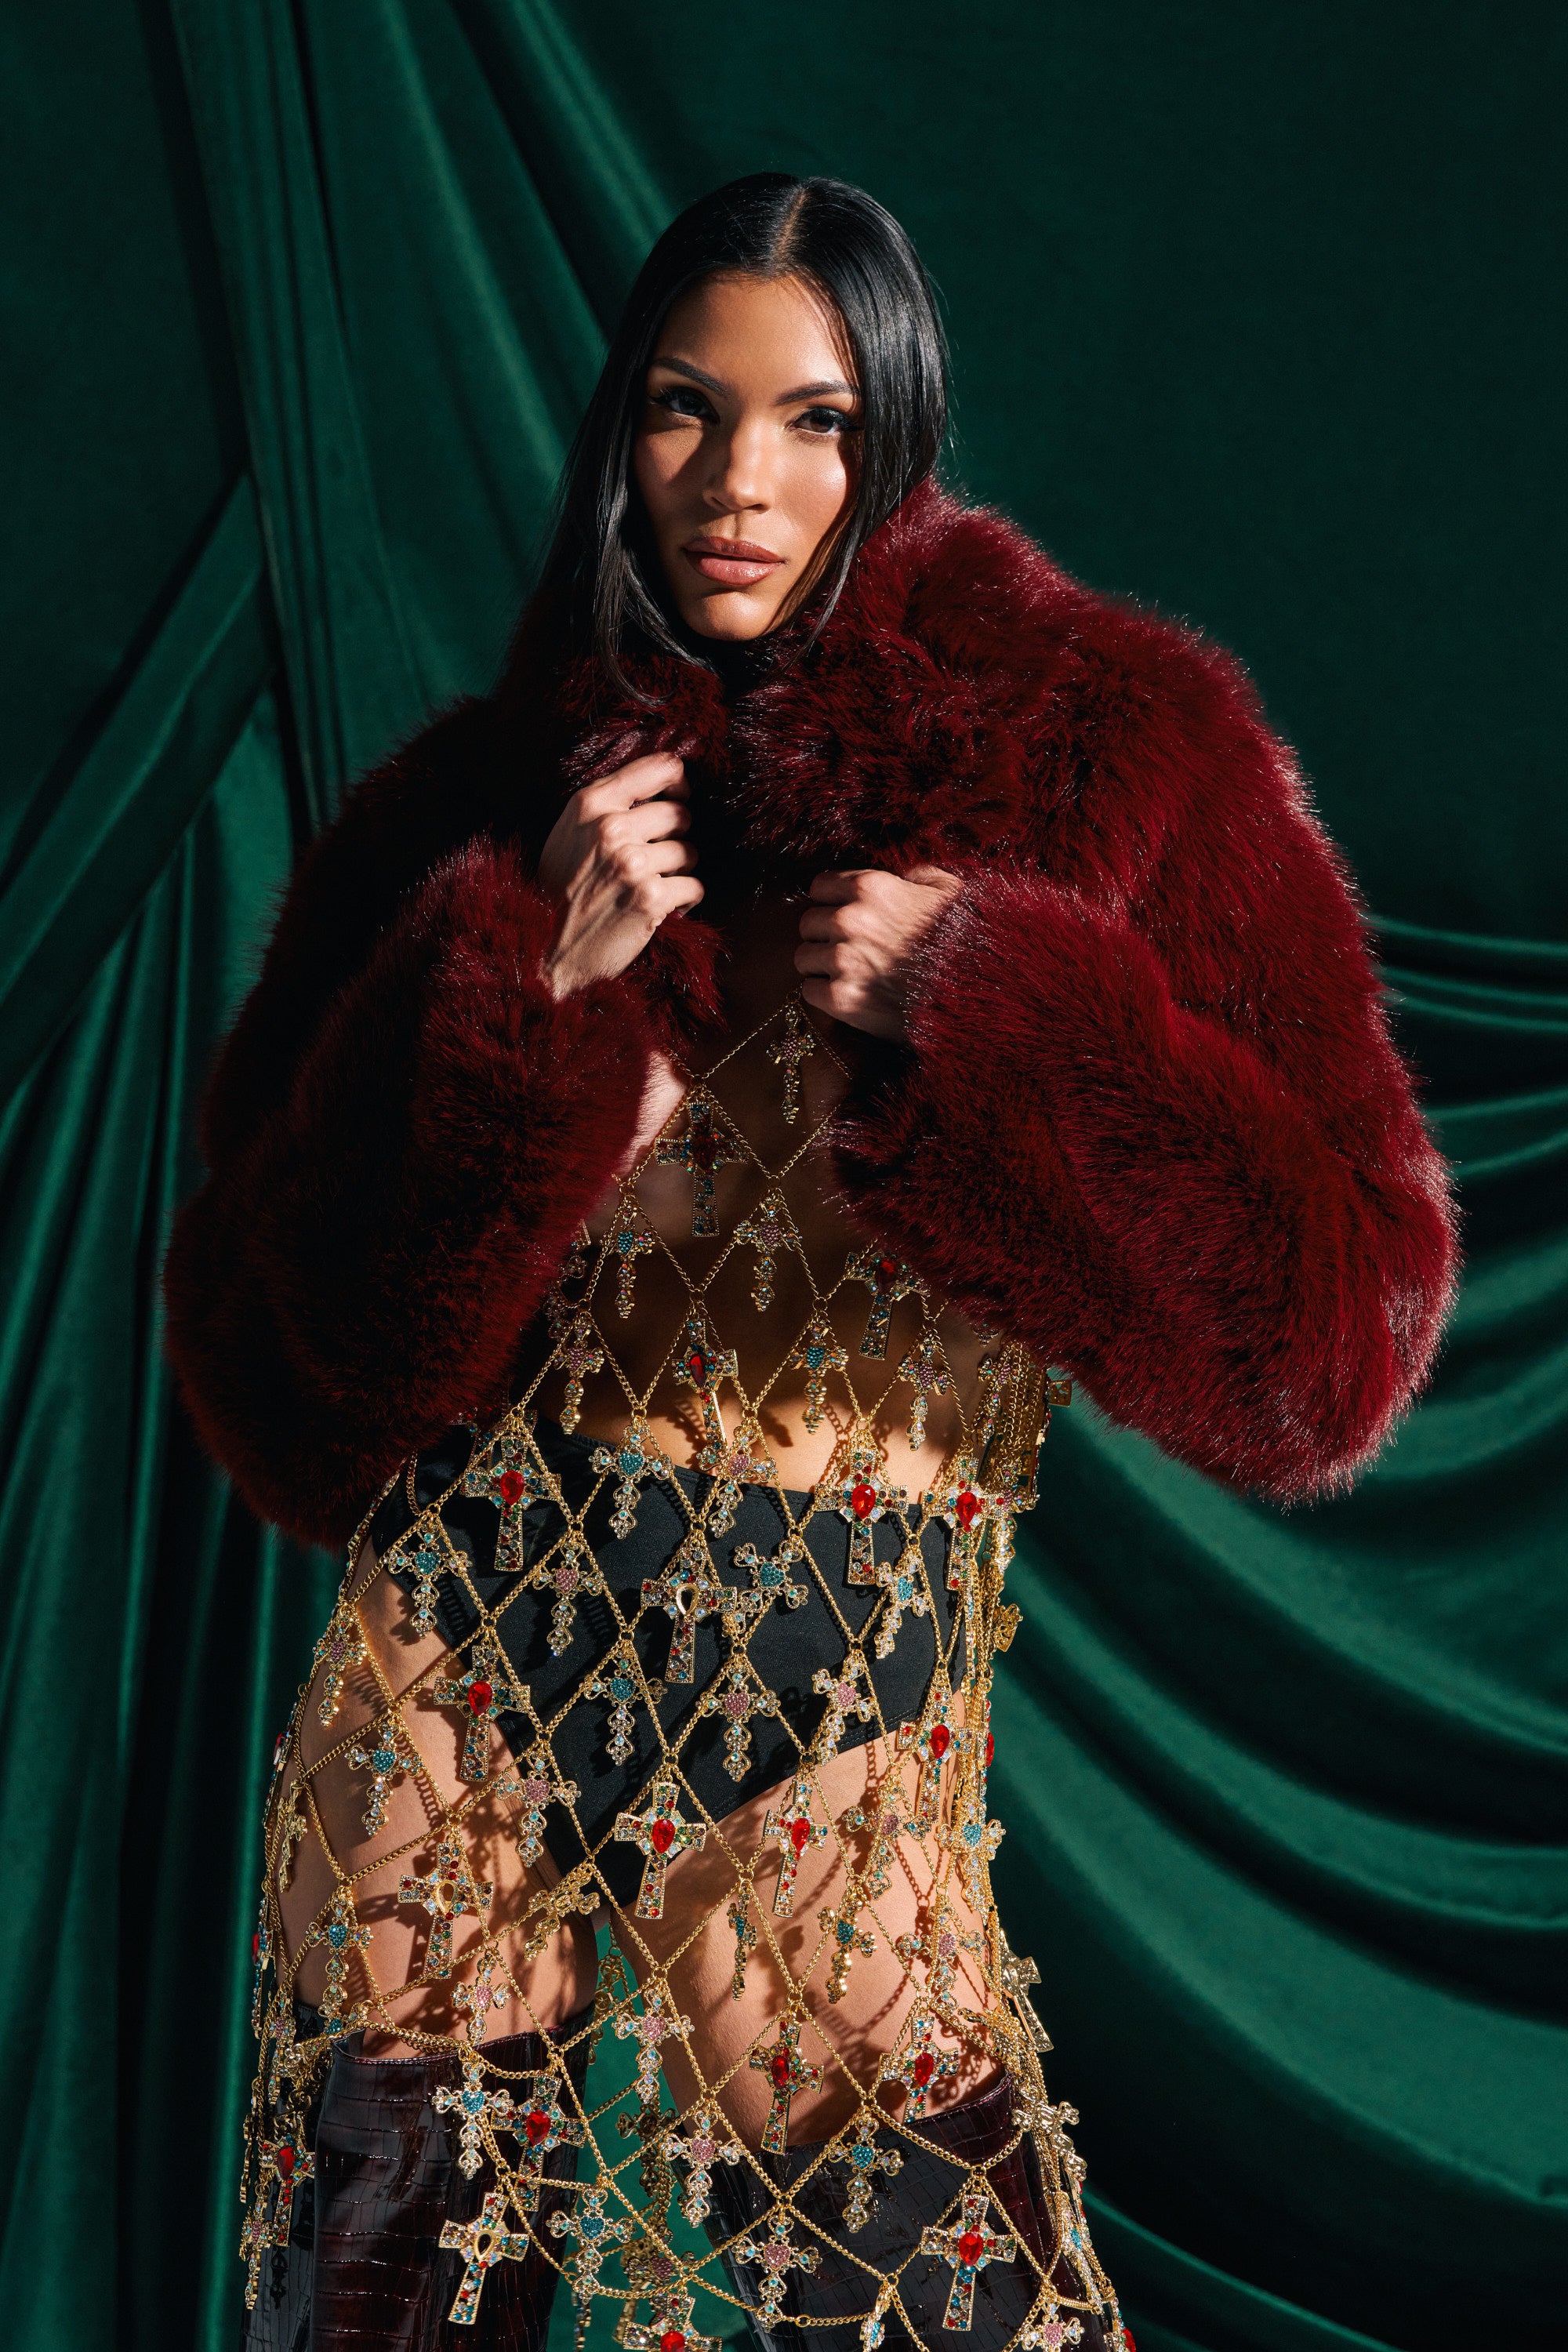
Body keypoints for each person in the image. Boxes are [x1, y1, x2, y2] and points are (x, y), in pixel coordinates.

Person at [164, 173, 1455, 2352]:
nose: (735, 483)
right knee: (372, 2311)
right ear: (622, 432)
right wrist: (524, 1010)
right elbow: (271, 1381)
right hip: (450, 1689)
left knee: (955, 2301)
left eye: (812, 420)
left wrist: (1000, 1008)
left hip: (829, 1723)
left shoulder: (1102, 767)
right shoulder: (490, 805)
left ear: (901, 435)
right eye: (684, 410)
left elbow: (1334, 1338)